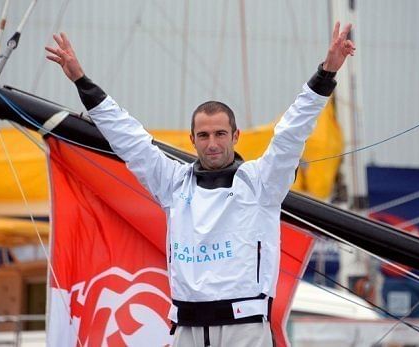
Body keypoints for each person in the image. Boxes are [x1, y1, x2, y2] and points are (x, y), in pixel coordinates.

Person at [46, 22, 355, 347]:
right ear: (192, 139)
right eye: (204, 135)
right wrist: (82, 82)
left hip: (244, 329)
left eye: (220, 134)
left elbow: (292, 131)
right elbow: (129, 139)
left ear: (235, 136)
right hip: (187, 330)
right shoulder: (173, 184)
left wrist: (326, 73)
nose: (212, 144)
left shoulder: (262, 183)